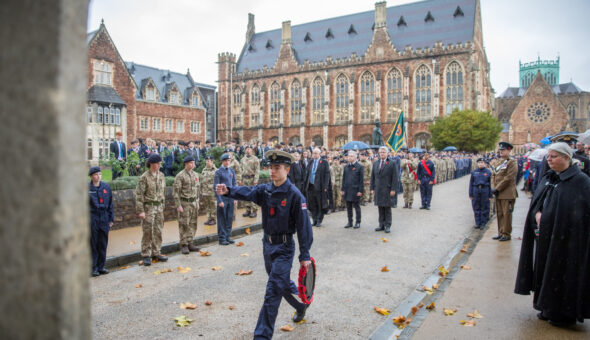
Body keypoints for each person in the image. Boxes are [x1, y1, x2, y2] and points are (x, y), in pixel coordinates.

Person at [215, 150, 313, 339]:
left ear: (287, 170)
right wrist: (228, 191)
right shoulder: (266, 190)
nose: (272, 171)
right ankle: (301, 306)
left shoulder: (295, 195)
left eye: (277, 167)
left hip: (284, 249)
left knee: (272, 291)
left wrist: (305, 255)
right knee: (280, 284)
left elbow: (304, 228)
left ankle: (262, 335)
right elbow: (249, 192)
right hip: (267, 247)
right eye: (270, 167)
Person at [515, 142, 590, 326]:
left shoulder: (580, 182)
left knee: (563, 273)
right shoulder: (550, 177)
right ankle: (546, 306)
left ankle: (563, 313)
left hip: (568, 241)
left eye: (554, 156)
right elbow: (539, 201)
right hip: (547, 236)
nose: (549, 160)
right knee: (546, 271)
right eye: (548, 156)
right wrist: (537, 213)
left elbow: (581, 214)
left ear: (566, 158)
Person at [135, 154, 168, 266]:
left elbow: (163, 192)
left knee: (158, 230)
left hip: (159, 207)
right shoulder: (144, 177)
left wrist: (162, 206)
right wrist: (141, 211)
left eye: (160, 163)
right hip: (148, 207)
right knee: (148, 231)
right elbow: (139, 195)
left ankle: (156, 252)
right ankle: (145, 254)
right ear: (152, 164)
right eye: (158, 163)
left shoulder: (161, 175)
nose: (160, 165)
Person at [88, 166, 113, 277]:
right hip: (92, 217)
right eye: (96, 175)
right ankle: (93, 268)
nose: (98, 176)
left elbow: (110, 204)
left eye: (100, 174)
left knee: (103, 243)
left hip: (104, 218)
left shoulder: (106, 187)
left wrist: (111, 219)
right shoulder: (87, 189)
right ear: (91, 176)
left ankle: (101, 266)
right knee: (93, 244)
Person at [173, 155, 201, 255]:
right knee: (184, 224)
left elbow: (198, 190)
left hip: (193, 202)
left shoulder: (196, 175)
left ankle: (190, 242)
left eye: (193, 162)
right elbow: (176, 192)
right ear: (186, 164)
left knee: (193, 223)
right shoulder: (180, 176)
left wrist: (197, 202)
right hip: (185, 203)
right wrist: (178, 205)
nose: (193, 164)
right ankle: (184, 244)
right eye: (191, 163)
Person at [491, 142, 518, 241]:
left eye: (503, 150)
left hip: (507, 193)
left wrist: (497, 188)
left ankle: (506, 234)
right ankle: (500, 232)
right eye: (500, 150)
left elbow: (509, 178)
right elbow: (494, 175)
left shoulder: (512, 162)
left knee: (507, 214)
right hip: (498, 193)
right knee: (499, 213)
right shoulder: (499, 162)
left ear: (509, 150)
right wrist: (493, 187)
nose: (501, 152)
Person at [370, 146, 399, 233]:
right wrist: (372, 188)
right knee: (380, 207)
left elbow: (395, 177)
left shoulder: (392, 163)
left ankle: (387, 225)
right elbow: (373, 177)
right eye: (381, 152)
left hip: (387, 188)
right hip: (378, 189)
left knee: (387, 208)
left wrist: (393, 189)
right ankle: (381, 224)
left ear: (387, 153)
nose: (382, 154)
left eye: (384, 152)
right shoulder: (375, 163)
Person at [304, 147, 331, 227]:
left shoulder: (324, 162)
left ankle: (319, 220)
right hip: (311, 186)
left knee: (319, 204)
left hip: (320, 187)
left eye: (316, 153)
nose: (314, 155)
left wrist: (325, 186)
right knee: (312, 204)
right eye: (313, 153)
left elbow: (327, 175)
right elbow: (307, 173)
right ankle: (314, 219)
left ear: (319, 154)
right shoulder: (311, 162)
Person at [214, 153, 236, 245]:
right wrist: (219, 200)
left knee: (229, 217)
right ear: (222, 161)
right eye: (226, 161)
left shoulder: (231, 171)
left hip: (230, 197)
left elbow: (234, 184)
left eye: (229, 160)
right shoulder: (218, 172)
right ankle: (222, 238)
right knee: (222, 218)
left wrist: (235, 197)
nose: (227, 162)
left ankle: (228, 236)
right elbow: (216, 187)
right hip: (223, 197)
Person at [341, 151, 364, 229]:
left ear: (355, 157)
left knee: (357, 207)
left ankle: (358, 222)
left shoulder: (359, 167)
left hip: (356, 190)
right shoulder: (346, 167)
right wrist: (343, 189)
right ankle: (349, 222)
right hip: (347, 190)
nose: (349, 158)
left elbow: (361, 180)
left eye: (351, 156)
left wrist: (360, 191)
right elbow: (344, 179)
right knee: (349, 207)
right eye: (348, 156)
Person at [469, 158, 493, 229]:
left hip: (485, 190)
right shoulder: (474, 172)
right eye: (479, 162)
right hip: (476, 189)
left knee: (484, 207)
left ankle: (483, 223)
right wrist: (470, 194)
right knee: (476, 207)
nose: (480, 164)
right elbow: (471, 183)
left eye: (482, 162)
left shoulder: (488, 172)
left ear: (485, 163)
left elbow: (491, 184)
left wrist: (490, 195)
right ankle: (477, 223)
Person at [240, 145, 260, 218]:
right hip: (245, 179)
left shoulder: (255, 159)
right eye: (247, 149)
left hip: (252, 179)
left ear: (252, 150)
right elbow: (241, 170)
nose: (248, 150)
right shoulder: (242, 159)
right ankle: (248, 210)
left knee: (253, 195)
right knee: (246, 195)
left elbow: (257, 170)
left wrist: (256, 180)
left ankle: (254, 211)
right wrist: (241, 179)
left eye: (249, 149)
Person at [200, 155, 217, 226]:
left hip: (212, 191)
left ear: (212, 162)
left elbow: (218, 182)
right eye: (206, 161)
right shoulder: (204, 170)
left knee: (213, 205)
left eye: (209, 161)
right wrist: (201, 190)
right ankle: (209, 218)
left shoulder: (216, 170)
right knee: (207, 206)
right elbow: (201, 181)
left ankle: (213, 219)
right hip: (205, 191)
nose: (207, 162)